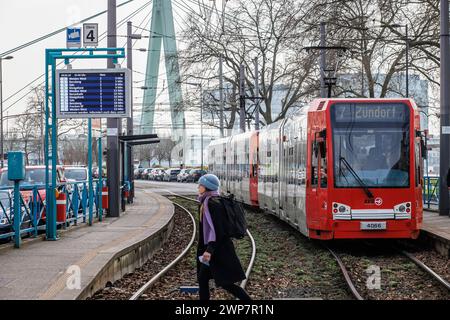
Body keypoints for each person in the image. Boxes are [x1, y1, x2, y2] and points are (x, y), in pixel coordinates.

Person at [196, 173, 251, 300]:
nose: (198, 187)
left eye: (201, 185)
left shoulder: (213, 204)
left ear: (207, 187)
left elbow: (219, 230)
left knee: (226, 284)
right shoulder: (205, 202)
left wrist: (209, 250)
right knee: (203, 279)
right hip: (212, 250)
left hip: (218, 251)